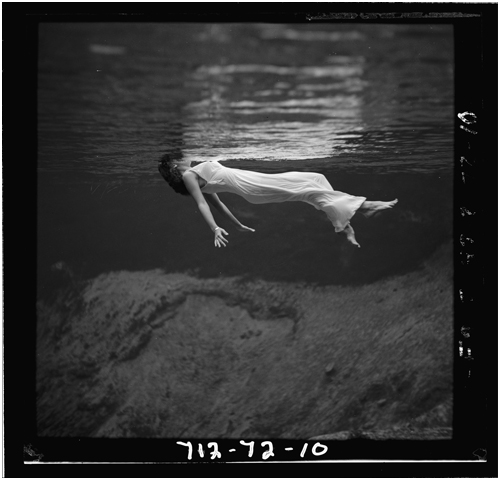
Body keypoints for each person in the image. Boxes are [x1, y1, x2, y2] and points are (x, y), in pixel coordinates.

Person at [158, 154, 397, 248]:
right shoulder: (190, 176)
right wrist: (215, 228)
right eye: (178, 158)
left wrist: (237, 224)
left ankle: (343, 223)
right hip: (253, 187)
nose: (184, 156)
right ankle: (364, 207)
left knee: (315, 179)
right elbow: (203, 204)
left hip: (254, 184)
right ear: (174, 167)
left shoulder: (195, 174)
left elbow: (218, 204)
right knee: (308, 190)